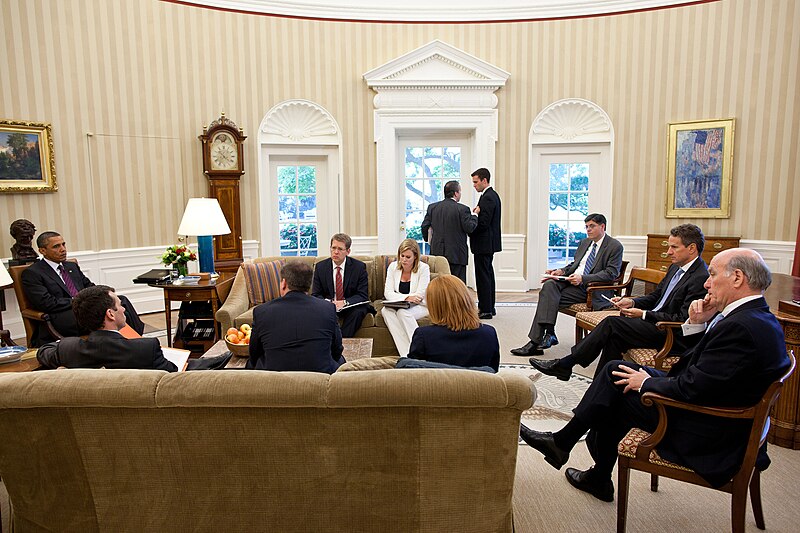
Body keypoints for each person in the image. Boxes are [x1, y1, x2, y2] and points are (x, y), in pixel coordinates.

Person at [519, 248, 790, 502]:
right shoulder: (754, 317)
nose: (707, 284)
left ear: (738, 278)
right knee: (615, 370)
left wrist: (647, 382)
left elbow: (695, 386)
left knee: (617, 395)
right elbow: (707, 369)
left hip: (709, 429)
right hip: (712, 405)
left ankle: (584, 463)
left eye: (714, 275)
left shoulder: (741, 327)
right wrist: (697, 325)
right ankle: (570, 449)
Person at [531, 224, 709, 380]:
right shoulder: (675, 267)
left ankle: (566, 364)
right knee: (614, 339)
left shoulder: (700, 276)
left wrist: (644, 314)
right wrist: (631, 303)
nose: (668, 251)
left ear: (692, 248)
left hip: (670, 332)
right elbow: (656, 297)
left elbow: (682, 319)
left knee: (612, 323)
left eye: (674, 247)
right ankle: (599, 389)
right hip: (656, 323)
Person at [511, 213, 623, 357]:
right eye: (587, 226)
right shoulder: (585, 243)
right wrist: (560, 271)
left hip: (592, 289)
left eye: (592, 226)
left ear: (602, 226)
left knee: (547, 298)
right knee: (549, 285)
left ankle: (535, 343)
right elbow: (574, 265)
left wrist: (583, 278)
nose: (588, 229)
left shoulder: (614, 246)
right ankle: (549, 333)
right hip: (573, 284)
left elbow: (611, 274)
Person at [21, 231, 145, 345]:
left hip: (84, 308)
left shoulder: (71, 266)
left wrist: (104, 295)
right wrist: (79, 301)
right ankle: (122, 344)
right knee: (107, 313)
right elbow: (46, 303)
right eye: (56, 246)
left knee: (121, 301)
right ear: (42, 250)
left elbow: (89, 287)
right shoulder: (33, 273)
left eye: (63, 244)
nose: (63, 249)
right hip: (62, 315)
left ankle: (137, 340)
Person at [37, 285, 176, 371]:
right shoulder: (146, 348)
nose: (123, 309)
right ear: (110, 314)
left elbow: (43, 351)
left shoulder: (68, 350)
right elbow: (173, 373)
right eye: (120, 305)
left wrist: (63, 344)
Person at [247, 261, 344, 373]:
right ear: (308, 285)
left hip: (273, 378)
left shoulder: (261, 311)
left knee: (250, 364)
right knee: (341, 361)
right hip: (319, 375)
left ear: (283, 283)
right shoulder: (328, 308)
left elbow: (254, 353)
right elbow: (337, 350)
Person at [407, 275, 500, 371]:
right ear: (466, 298)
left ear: (434, 305)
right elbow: (493, 371)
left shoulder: (424, 335)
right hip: (478, 385)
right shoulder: (489, 333)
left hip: (438, 385)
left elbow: (413, 374)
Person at [311, 233, 372, 338]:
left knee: (359, 311)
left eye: (340, 249)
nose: (335, 252)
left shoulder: (359, 267)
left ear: (348, 251)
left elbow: (362, 295)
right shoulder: (321, 267)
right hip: (329, 306)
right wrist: (330, 303)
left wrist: (344, 302)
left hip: (349, 306)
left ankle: (341, 342)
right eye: (333, 248)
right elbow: (316, 294)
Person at [420, 180, 477, 283]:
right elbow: (469, 228)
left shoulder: (432, 208)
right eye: (460, 191)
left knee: (440, 284)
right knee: (457, 285)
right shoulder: (463, 209)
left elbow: (424, 226)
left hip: (437, 252)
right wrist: (475, 216)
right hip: (457, 254)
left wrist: (430, 241)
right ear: (456, 193)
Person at [383, 239, 430, 356]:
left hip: (420, 305)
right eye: (402, 255)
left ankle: (420, 348)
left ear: (415, 257)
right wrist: (406, 298)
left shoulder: (423, 268)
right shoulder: (393, 267)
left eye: (408, 257)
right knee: (386, 311)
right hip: (401, 303)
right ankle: (406, 353)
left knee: (403, 313)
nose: (403, 259)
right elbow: (387, 293)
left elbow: (420, 294)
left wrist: (403, 298)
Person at [469, 168, 502, 319]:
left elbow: (483, 223)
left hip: (483, 243)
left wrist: (472, 219)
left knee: (483, 277)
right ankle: (489, 307)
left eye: (476, 182)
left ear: (484, 180)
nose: (474, 185)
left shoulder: (487, 197)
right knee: (487, 274)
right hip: (487, 243)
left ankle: (486, 309)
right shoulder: (491, 195)